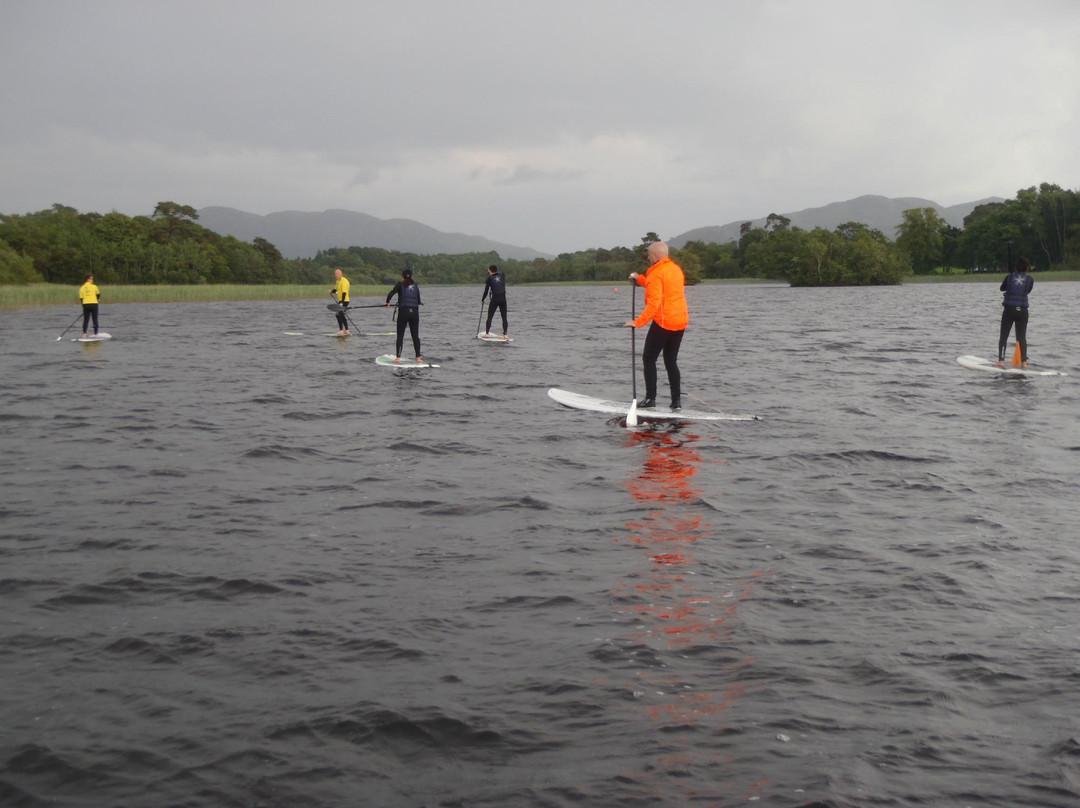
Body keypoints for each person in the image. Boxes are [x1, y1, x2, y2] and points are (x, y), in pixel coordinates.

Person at [623, 242, 688, 410]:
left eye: (650, 254)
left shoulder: (656, 273)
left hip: (663, 322)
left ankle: (650, 399)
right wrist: (640, 280)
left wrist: (637, 322)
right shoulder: (675, 270)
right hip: (680, 321)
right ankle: (676, 402)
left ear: (656, 256)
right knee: (671, 361)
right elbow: (658, 287)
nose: (648, 257)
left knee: (649, 358)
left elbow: (654, 304)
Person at [997, 255, 1034, 367]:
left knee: (1004, 336)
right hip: (1022, 310)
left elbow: (1002, 288)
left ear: (1016, 268)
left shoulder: (1009, 277)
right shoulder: (1030, 280)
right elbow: (1027, 291)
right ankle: (1024, 362)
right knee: (1021, 337)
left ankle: (1001, 361)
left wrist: (1011, 277)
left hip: (1009, 309)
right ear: (1027, 268)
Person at [384, 269, 422, 363]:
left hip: (404, 312)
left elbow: (391, 293)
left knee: (400, 335)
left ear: (403, 277)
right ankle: (418, 358)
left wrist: (387, 302)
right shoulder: (415, 286)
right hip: (414, 313)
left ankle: (398, 358)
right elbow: (418, 301)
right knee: (415, 336)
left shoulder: (400, 285)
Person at [481, 264, 509, 339]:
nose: (487, 271)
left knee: (490, 316)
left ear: (490, 270)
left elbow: (486, 291)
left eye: (488, 270)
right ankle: (505, 334)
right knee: (504, 317)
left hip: (495, 299)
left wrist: (482, 300)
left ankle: (487, 334)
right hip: (503, 299)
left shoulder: (489, 278)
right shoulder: (502, 275)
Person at [78, 274, 101, 339]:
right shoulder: (94, 286)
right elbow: (98, 294)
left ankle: (84, 334)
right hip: (94, 304)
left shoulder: (81, 288)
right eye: (91, 279)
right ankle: (96, 334)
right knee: (95, 319)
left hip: (86, 305)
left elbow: (81, 299)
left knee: (86, 320)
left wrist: (84, 307)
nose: (92, 280)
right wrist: (98, 300)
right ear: (88, 279)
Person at [329, 268, 351, 334]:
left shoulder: (344, 281)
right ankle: (346, 330)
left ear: (340, 274)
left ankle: (342, 330)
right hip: (341, 300)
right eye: (335, 274)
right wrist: (331, 291)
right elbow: (336, 290)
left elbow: (344, 293)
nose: (336, 275)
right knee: (340, 314)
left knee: (339, 314)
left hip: (345, 301)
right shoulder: (338, 281)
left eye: (337, 274)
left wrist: (342, 302)